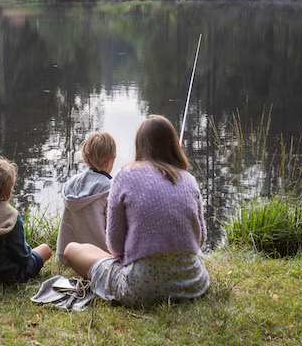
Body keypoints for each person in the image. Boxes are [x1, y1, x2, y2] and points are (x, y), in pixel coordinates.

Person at [63, 115, 210, 306]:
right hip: (193, 283)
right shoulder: (189, 180)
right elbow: (200, 240)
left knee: (72, 250)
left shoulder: (125, 175)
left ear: (140, 145)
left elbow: (115, 246)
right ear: (174, 144)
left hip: (140, 289)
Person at [56, 131, 116, 266]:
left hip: (66, 255)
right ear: (111, 160)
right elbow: (113, 228)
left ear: (85, 156)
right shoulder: (110, 188)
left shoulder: (72, 183)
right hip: (100, 257)